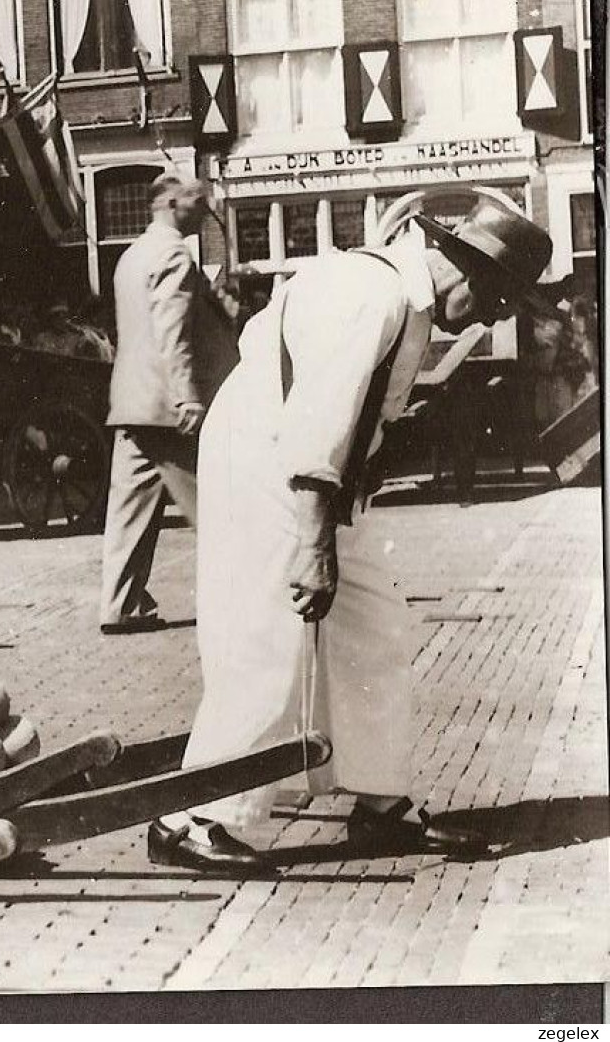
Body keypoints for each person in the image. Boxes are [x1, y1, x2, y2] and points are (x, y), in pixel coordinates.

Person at [147, 200, 553, 873]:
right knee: (273, 624)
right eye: (496, 296)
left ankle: (380, 804)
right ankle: (196, 815)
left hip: (311, 461)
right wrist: (312, 545)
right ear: (460, 264)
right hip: (268, 450)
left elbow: (355, 415)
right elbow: (318, 417)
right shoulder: (371, 296)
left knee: (372, 621)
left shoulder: (407, 303)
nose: (495, 315)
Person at [99, 175, 239, 634]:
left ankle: (119, 604)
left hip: (131, 401)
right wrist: (187, 397)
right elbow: (171, 331)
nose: (205, 210)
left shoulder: (130, 256)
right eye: (199, 201)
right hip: (167, 405)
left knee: (128, 510)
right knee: (214, 505)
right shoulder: (174, 254)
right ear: (172, 201)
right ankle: (243, 597)